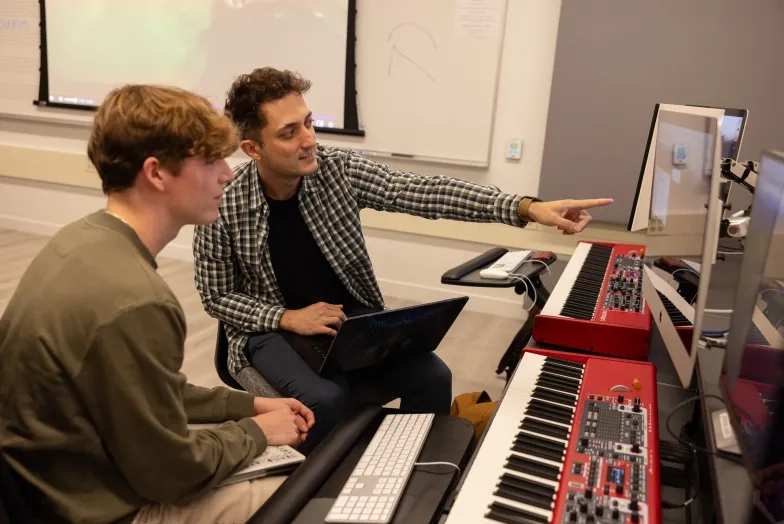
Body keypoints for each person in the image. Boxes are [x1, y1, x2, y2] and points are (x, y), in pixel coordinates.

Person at [193, 67, 613, 455]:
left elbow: (423, 191)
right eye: (289, 132)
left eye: (308, 123)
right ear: (253, 148)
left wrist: (525, 208)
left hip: (346, 321)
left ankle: (408, 474)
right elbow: (217, 297)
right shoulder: (224, 202)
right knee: (328, 399)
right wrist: (288, 317)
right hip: (268, 330)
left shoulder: (335, 171)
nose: (308, 139)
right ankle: (312, 492)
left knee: (434, 377)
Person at [0, 85, 314, 524]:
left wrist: (246, 407)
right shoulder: (137, 301)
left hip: (54, 483)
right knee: (298, 489)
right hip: (91, 508)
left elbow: (146, 392)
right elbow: (172, 475)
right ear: (156, 173)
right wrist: (254, 432)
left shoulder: (80, 238)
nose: (227, 174)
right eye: (209, 161)